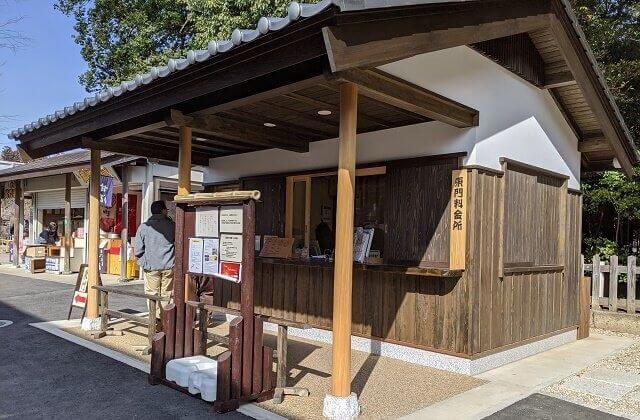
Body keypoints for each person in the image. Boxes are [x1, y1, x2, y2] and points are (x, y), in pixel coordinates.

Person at [134, 201, 175, 320]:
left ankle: (155, 320)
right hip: (168, 265)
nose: (167, 211)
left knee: (152, 294)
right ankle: (164, 319)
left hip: (151, 267)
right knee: (166, 294)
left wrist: (143, 261)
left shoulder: (144, 227)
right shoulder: (172, 225)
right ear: (163, 211)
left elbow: (138, 250)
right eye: (166, 209)